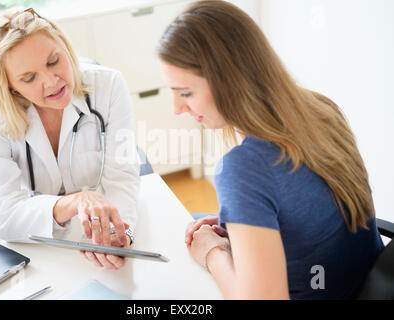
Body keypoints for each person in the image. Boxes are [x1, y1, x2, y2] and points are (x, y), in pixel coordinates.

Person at [157, 0, 384, 299]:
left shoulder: (242, 169)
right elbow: (313, 210)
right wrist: (244, 222)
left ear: (230, 82)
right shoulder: (321, 108)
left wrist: (211, 253)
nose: (176, 108)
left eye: (185, 93)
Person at [0, 8, 140, 270]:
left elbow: (121, 178)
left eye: (54, 61)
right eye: (29, 78)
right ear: (10, 85)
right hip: (35, 249)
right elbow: (4, 215)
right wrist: (72, 203)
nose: (51, 82)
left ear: (65, 46)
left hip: (97, 235)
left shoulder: (109, 87)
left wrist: (120, 233)